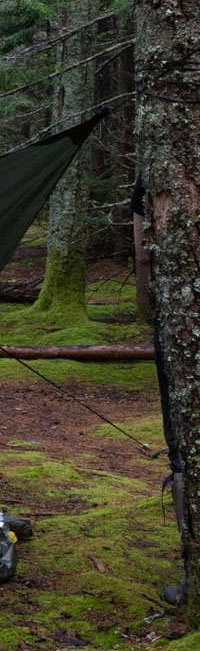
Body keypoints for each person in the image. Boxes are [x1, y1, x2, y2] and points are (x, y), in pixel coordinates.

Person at [133, 172, 186, 605]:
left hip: (183, 321)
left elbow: (141, 251)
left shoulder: (161, 163)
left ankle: (193, 573)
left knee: (186, 447)